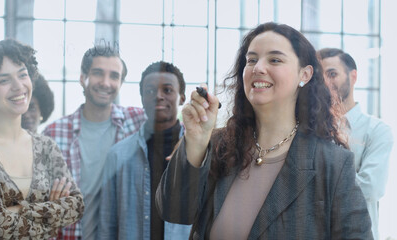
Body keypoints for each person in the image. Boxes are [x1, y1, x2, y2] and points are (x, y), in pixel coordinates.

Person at [156, 22, 373, 239]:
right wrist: (195, 140)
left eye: (275, 60)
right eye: (251, 60)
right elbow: (174, 212)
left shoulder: (332, 164)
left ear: (304, 75)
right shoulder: (220, 145)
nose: (257, 68)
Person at [0, 39, 84, 239]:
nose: (18, 86)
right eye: (4, 80)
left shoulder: (46, 146)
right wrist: (52, 211)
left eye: (23, 75)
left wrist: (15, 210)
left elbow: (76, 206)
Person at [43, 45, 146, 239]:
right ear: (83, 78)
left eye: (114, 76)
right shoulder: (53, 134)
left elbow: (174, 126)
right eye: (98, 73)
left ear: (121, 82)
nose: (106, 83)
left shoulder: (138, 121)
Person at [99, 61, 191, 239]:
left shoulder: (200, 154)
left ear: (182, 97)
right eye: (150, 91)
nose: (158, 96)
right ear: (141, 98)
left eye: (167, 90)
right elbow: (107, 224)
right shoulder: (118, 156)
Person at [318, 48, 393, 240]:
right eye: (321, 76)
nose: (326, 82)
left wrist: (318, 179)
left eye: (332, 74)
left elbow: (371, 187)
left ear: (353, 76)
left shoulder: (377, 130)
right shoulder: (310, 130)